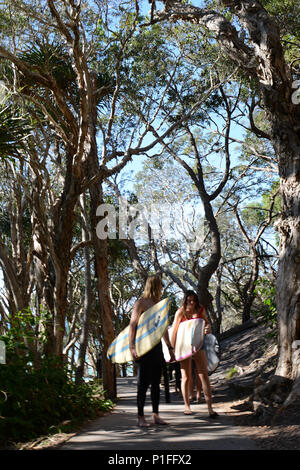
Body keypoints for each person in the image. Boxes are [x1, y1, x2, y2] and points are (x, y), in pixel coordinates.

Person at [129, 274, 175, 427]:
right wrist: (131, 347)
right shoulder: (141, 303)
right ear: (155, 285)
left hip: (157, 348)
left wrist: (169, 347)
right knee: (142, 384)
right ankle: (140, 418)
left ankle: (156, 415)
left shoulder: (160, 304)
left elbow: (163, 329)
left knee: (156, 383)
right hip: (143, 348)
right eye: (161, 285)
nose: (163, 288)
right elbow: (132, 325)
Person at [171, 290, 218, 418]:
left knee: (204, 375)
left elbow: (206, 323)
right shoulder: (180, 312)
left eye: (194, 300)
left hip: (198, 344)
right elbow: (174, 331)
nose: (192, 302)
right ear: (185, 300)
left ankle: (210, 408)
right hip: (183, 346)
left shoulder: (200, 309)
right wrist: (172, 349)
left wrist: (208, 328)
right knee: (185, 376)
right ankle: (187, 406)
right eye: (189, 300)